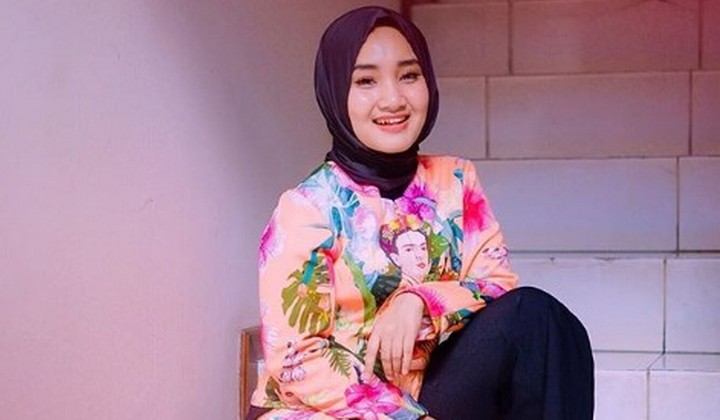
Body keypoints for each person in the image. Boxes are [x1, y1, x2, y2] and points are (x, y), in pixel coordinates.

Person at [249, 6, 594, 420]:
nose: (393, 99)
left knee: (537, 317)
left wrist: (420, 301)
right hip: (329, 410)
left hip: (427, 389)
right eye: (366, 81)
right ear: (335, 93)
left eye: (409, 76)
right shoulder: (307, 207)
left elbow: (497, 285)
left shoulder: (455, 180)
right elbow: (298, 361)